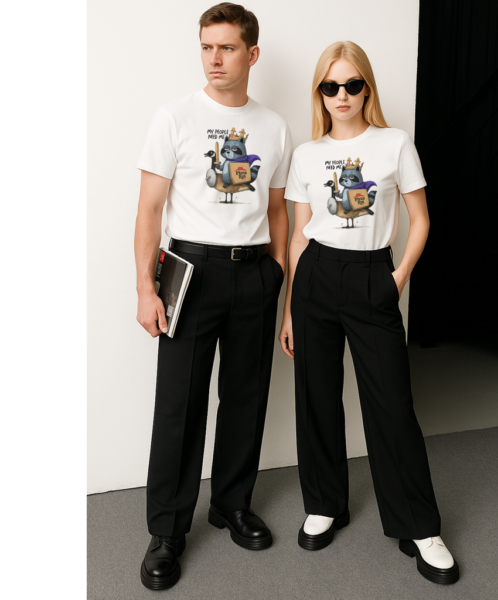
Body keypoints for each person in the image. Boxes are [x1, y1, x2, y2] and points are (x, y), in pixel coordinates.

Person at [279, 41, 460, 585]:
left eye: (352, 84)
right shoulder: (307, 154)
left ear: (367, 89)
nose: (342, 95)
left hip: (371, 275)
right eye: (330, 86)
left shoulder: (394, 144)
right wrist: (290, 309)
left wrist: (397, 278)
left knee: (392, 406)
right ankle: (324, 503)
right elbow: (297, 237)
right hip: (314, 276)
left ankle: (419, 526)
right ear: (319, 92)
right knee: (316, 397)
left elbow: (420, 219)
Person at [134, 3, 292, 591]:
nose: (214, 59)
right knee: (179, 405)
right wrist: (145, 287)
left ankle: (231, 504)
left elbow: (277, 210)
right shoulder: (174, 117)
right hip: (190, 271)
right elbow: (149, 210)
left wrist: (278, 275)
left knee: (246, 397)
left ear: (252, 53)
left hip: (253, 273)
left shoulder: (274, 127)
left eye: (227, 48)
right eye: (207, 47)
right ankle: (167, 531)